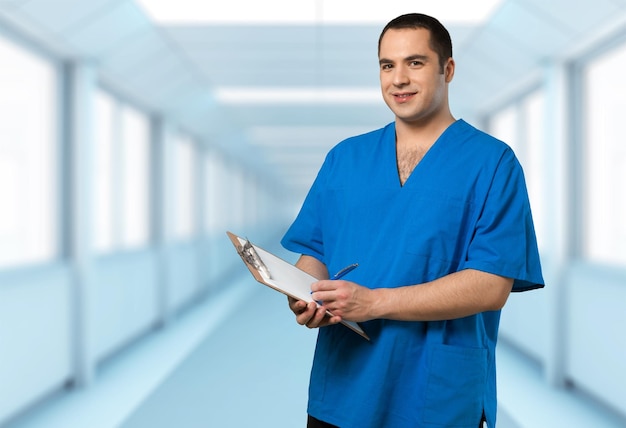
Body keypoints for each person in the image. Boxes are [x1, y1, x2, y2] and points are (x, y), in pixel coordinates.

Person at [280, 12, 544, 428]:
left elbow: (491, 284)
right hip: (345, 391)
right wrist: (303, 295)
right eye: (388, 65)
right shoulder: (345, 158)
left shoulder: (492, 163)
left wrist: (372, 303)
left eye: (415, 63)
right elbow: (315, 250)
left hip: (436, 396)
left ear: (448, 69)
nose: (398, 79)